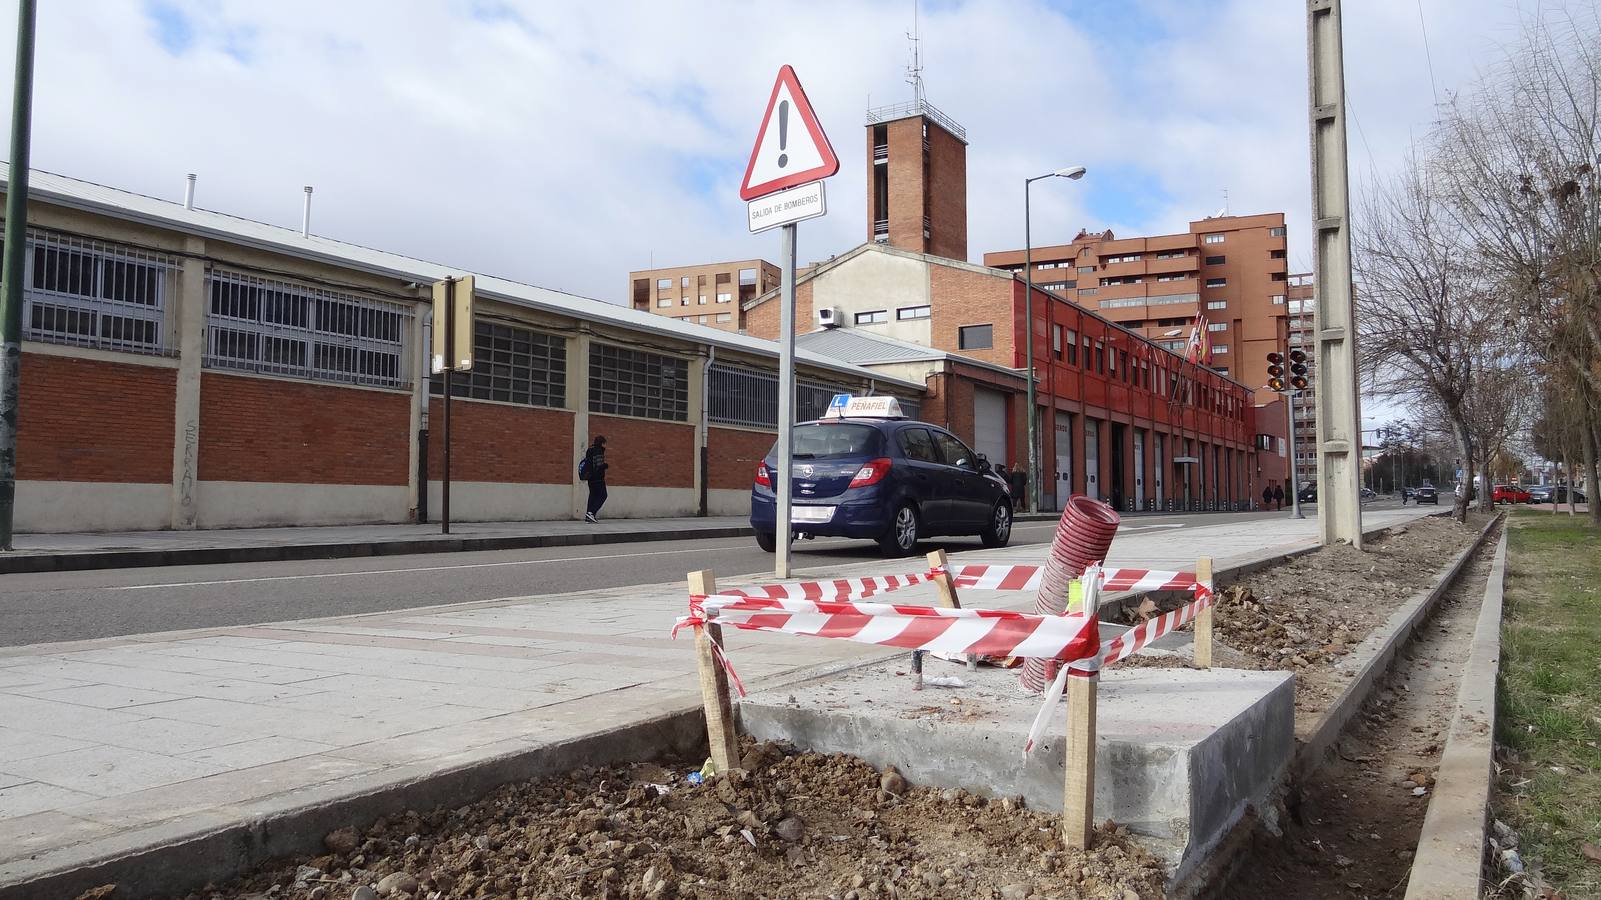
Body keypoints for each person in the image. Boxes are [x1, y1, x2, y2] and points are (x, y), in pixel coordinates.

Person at [581, 436, 609, 523]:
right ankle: (591, 513)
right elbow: (599, 465)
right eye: (605, 443)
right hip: (598, 478)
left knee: (592, 496)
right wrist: (605, 465)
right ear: (602, 443)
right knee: (603, 495)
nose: (605, 446)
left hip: (590, 478)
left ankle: (588, 516)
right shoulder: (598, 450)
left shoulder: (590, 450)